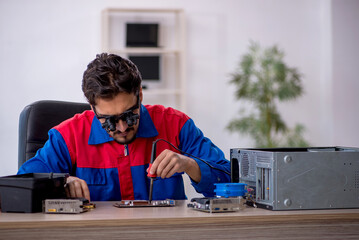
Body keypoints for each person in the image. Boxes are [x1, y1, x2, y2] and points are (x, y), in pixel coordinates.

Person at [18, 53, 230, 201]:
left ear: (140, 95)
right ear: (92, 107)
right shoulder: (68, 136)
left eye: (129, 115)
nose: (121, 127)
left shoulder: (175, 124)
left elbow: (232, 182)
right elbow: (20, 187)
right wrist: (60, 182)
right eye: (108, 119)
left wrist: (191, 165)